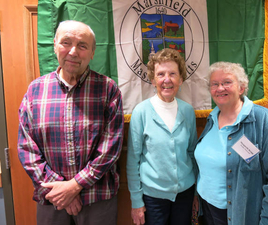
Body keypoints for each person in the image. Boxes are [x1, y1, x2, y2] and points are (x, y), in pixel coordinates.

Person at [17, 20, 124, 225]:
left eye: (82, 45)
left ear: (92, 52)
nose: (73, 52)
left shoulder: (108, 89)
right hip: (51, 198)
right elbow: (26, 148)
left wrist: (75, 186)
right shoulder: (35, 91)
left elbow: (111, 147)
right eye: (66, 43)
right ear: (55, 45)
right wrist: (60, 190)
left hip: (98, 198)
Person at [194, 62, 268, 224]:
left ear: (241, 88)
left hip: (238, 214)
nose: (220, 88)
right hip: (207, 208)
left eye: (227, 82)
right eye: (215, 84)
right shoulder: (212, 119)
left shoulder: (262, 120)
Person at [126, 48, 198, 225]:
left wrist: (196, 193)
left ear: (180, 79)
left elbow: (192, 154)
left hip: (185, 195)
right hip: (152, 198)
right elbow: (133, 160)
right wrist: (136, 202)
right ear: (152, 79)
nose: (167, 79)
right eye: (161, 74)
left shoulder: (188, 111)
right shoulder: (141, 112)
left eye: (173, 73)